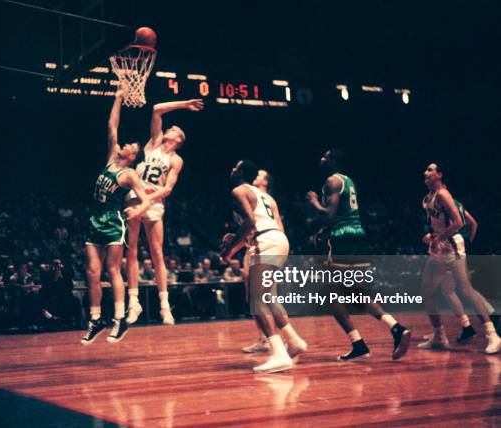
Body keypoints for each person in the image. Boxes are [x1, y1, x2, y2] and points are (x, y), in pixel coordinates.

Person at [306, 149, 411, 361]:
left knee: (329, 295)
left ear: (333, 161)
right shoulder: (349, 181)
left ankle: (360, 342)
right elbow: (344, 214)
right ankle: (393, 328)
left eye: (325, 156)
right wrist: (323, 231)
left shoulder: (332, 181)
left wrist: (314, 201)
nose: (321, 159)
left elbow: (328, 215)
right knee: (357, 293)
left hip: (341, 241)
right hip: (356, 237)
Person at [80, 86, 151, 346]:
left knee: (112, 270)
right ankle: (95, 320)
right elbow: (112, 125)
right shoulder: (111, 158)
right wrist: (118, 98)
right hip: (94, 219)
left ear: (132, 155)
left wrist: (138, 210)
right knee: (91, 272)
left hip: (112, 222)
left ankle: (120, 319)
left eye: (128, 146)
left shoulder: (130, 174)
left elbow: (145, 199)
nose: (122, 145)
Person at [221, 160, 306, 374]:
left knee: (256, 299)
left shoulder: (239, 190)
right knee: (269, 297)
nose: (232, 170)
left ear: (241, 173)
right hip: (279, 240)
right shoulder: (266, 197)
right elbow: (259, 227)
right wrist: (240, 240)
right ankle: (294, 341)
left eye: (235, 167)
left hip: (265, 242)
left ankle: (278, 354)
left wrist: (230, 249)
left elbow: (250, 223)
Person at [125, 98, 204, 325]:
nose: (168, 129)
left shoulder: (176, 160)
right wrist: (184, 104)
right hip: (135, 197)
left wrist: (146, 200)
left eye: (173, 130)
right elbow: (157, 109)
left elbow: (168, 189)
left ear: (178, 139)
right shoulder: (153, 144)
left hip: (153, 201)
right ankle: (133, 303)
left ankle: (164, 305)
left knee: (157, 252)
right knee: (130, 252)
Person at [417, 163, 500, 354]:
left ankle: (492, 334)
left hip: (452, 247)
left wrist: (438, 237)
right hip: (440, 248)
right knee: (426, 290)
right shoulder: (429, 197)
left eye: (430, 170)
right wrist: (431, 236)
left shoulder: (444, 195)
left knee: (464, 290)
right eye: (426, 170)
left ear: (440, 175)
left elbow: (460, 222)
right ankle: (439, 336)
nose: (425, 173)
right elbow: (437, 224)